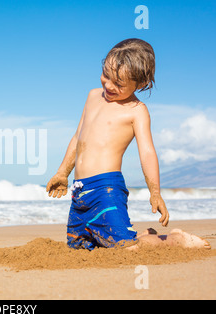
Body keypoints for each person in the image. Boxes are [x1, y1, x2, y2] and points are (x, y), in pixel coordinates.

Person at [46, 38, 210, 250]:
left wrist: (155, 192)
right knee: (79, 247)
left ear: (141, 84)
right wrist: (62, 172)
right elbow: (77, 138)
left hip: (106, 189)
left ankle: (176, 239)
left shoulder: (136, 110)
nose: (108, 85)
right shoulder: (93, 96)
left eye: (119, 83)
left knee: (126, 248)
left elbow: (147, 152)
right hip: (79, 192)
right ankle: (139, 235)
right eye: (106, 75)